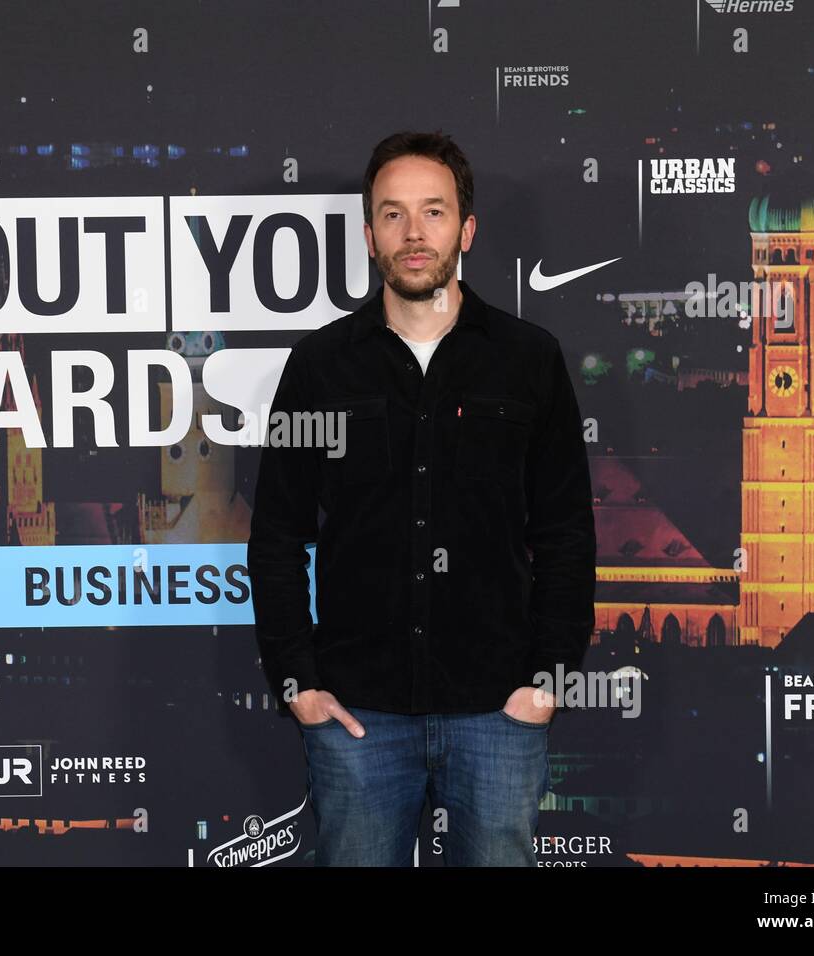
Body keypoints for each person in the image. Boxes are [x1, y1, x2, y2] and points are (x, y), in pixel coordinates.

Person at [247, 129, 596, 866]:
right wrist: (299, 683)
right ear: (369, 233)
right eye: (393, 214)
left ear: (467, 229)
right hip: (358, 716)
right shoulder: (320, 366)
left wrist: (548, 679)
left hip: (499, 711)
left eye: (434, 212)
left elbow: (566, 531)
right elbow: (277, 533)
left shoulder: (529, 360)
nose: (414, 234)